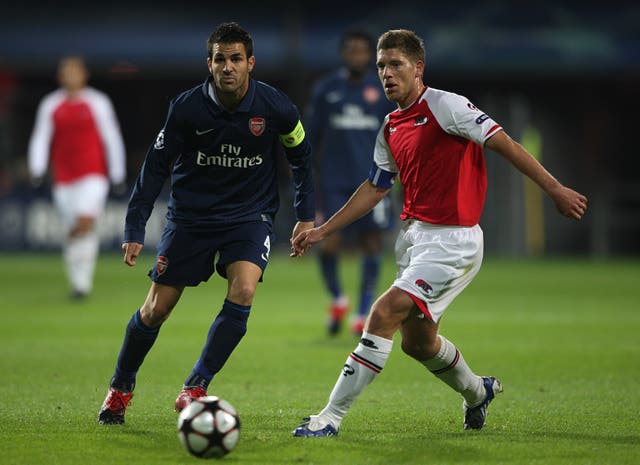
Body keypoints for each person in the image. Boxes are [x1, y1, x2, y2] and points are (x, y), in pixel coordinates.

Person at [291, 29, 588, 436]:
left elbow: (506, 144)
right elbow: (376, 187)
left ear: (418, 67)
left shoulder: (447, 106)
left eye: (396, 64)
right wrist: (323, 230)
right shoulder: (392, 124)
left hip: (453, 241)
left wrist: (554, 188)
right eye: (381, 66)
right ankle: (477, 392)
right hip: (414, 239)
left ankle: (330, 418)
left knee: (383, 313)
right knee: (418, 343)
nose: (386, 73)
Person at [97, 22, 315, 425]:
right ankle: (121, 387)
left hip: (250, 216)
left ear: (250, 63)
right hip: (192, 218)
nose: (227, 67)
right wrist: (134, 226)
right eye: (220, 59)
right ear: (209, 64)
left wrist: (304, 215)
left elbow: (301, 157)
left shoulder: (277, 107)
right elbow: (155, 167)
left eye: (236, 59)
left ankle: (196, 384)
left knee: (244, 290)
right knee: (155, 309)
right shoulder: (186, 108)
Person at [305, 30, 396, 336]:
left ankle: (361, 313)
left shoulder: (383, 90)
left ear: (369, 55)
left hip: (374, 181)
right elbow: (309, 139)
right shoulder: (326, 89)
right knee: (328, 245)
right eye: (351, 51)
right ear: (343, 54)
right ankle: (338, 298)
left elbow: (395, 137)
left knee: (372, 243)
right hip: (333, 181)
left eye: (361, 51)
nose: (356, 56)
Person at [28, 56, 126, 300]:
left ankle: (82, 283)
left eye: (75, 72)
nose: (71, 76)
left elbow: (111, 137)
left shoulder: (97, 102)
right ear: (60, 77)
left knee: (85, 222)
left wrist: (117, 172)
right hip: (63, 177)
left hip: (93, 174)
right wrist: (37, 168)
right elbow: (41, 137)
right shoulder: (51, 104)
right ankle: (78, 279)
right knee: (75, 229)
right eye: (66, 72)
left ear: (84, 75)